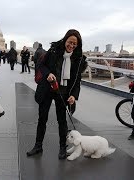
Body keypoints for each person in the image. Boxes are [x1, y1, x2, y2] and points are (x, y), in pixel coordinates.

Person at [26, 29, 87, 159]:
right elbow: (41, 65)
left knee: (62, 120)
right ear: (65, 40)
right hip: (48, 88)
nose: (71, 46)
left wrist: (73, 96)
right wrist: (48, 74)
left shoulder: (78, 59)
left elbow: (77, 80)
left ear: (78, 45)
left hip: (63, 91)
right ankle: (38, 146)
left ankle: (62, 147)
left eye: (74, 44)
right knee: (42, 118)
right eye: (70, 42)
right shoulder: (54, 51)